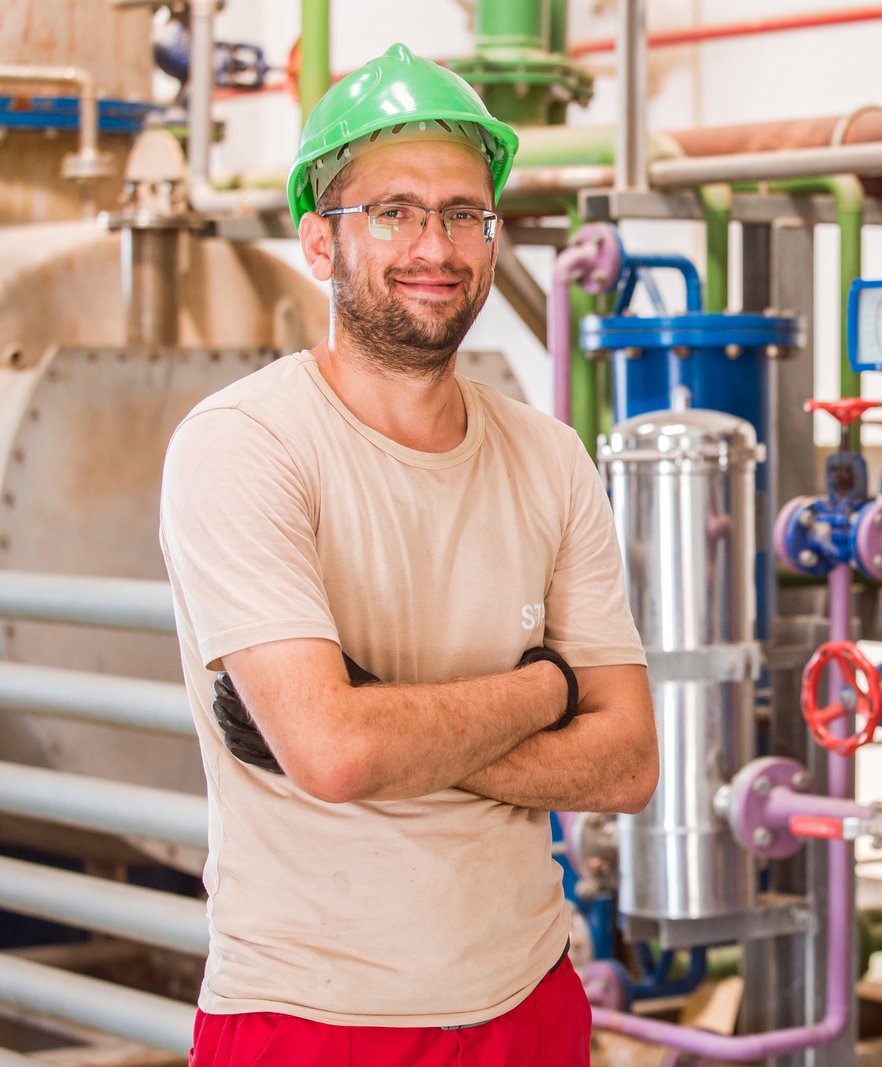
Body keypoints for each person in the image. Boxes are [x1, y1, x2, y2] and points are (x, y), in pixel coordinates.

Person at [158, 43, 657, 1066]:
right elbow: (337, 751)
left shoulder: (547, 455)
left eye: (464, 213)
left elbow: (630, 761)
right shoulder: (244, 442)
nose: (435, 243)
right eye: (392, 211)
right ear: (319, 242)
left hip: (530, 998)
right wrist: (548, 686)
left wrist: (396, 725)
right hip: (309, 1017)